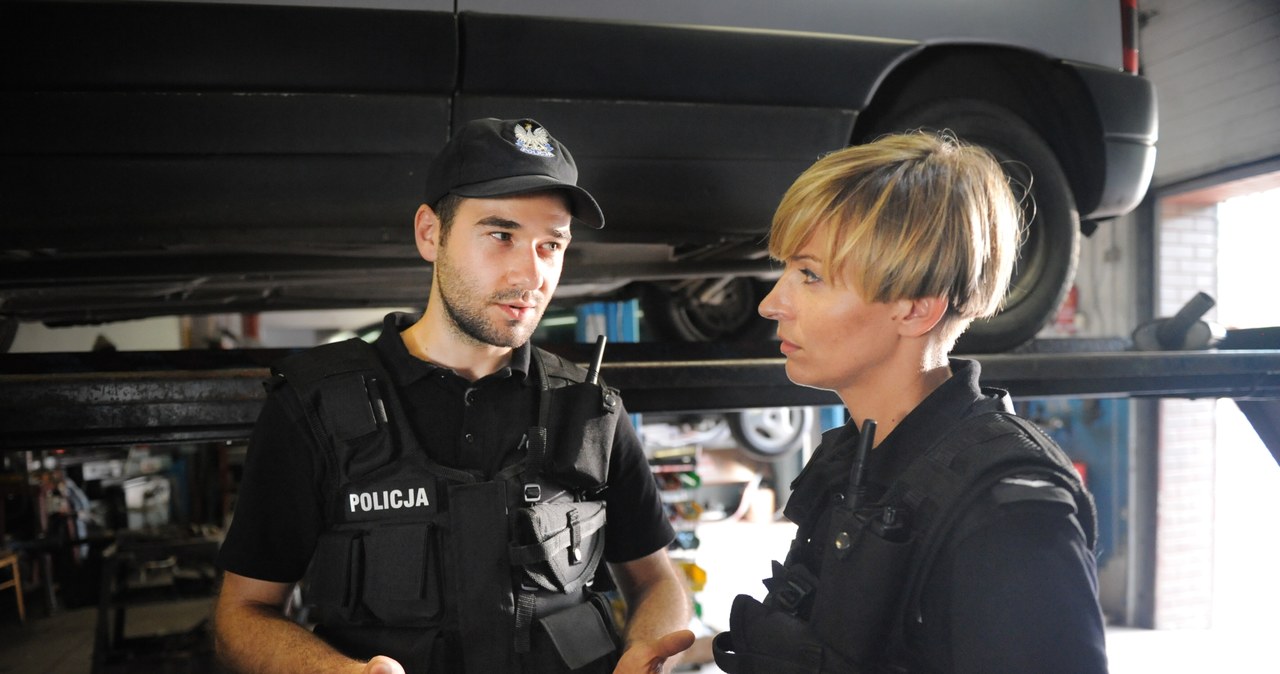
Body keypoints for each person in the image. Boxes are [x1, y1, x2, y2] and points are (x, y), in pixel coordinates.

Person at [214, 118, 694, 674]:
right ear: (430, 233)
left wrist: (647, 651)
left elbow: (657, 579)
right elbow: (241, 616)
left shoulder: (590, 409)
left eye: (551, 245)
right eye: (501, 235)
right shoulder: (315, 406)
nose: (531, 272)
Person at [711, 131, 1108, 672]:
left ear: (916, 310)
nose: (770, 303)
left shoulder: (1006, 518)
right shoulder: (862, 463)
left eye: (810, 275)